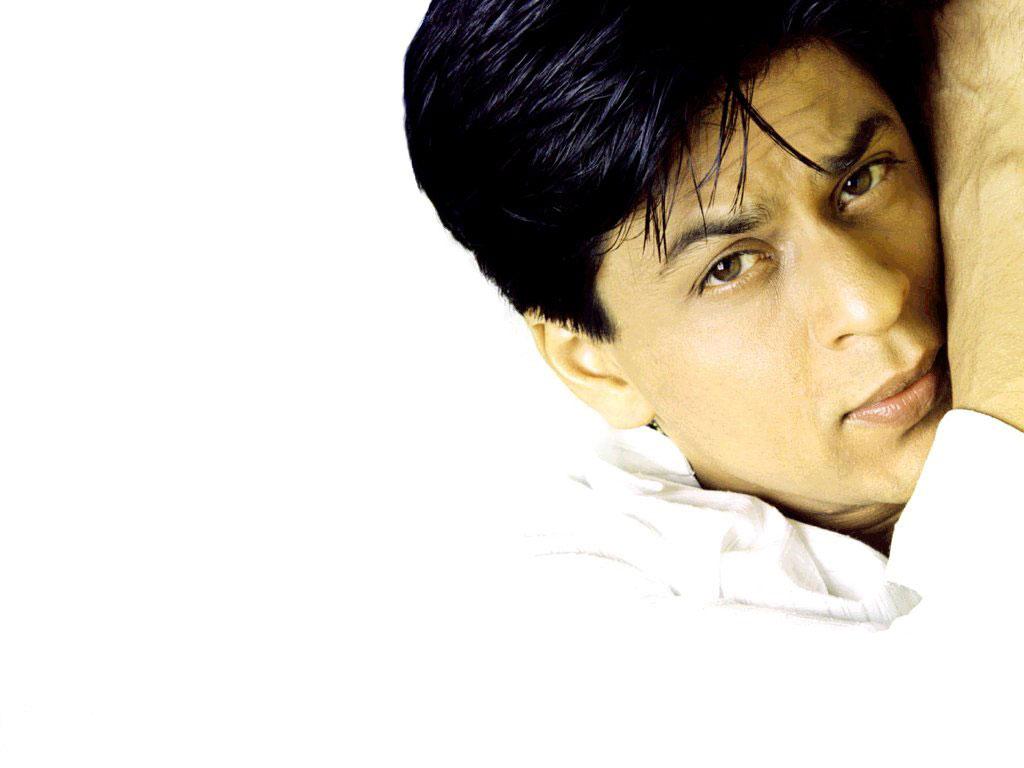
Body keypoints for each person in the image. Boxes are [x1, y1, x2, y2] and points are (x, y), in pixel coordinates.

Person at [403, 0, 1024, 627]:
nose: (873, 300)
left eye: (860, 182)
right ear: (594, 366)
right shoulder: (556, 612)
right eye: (730, 266)